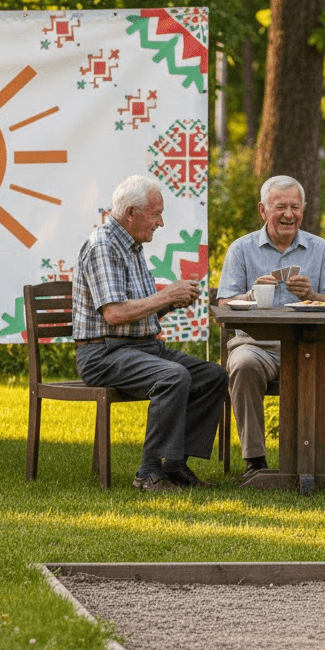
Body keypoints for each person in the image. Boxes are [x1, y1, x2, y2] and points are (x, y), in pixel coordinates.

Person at [73, 174, 228, 491]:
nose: (160, 222)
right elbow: (115, 314)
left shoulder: (132, 246)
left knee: (212, 375)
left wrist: (172, 302)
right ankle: (147, 472)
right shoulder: (103, 246)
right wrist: (167, 295)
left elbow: (137, 311)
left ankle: (174, 466)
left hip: (140, 348)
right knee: (172, 376)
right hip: (104, 353)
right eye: (156, 213)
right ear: (131, 213)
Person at [217, 176, 325, 475]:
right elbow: (223, 305)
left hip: (307, 344)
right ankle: (255, 460)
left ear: (303, 210)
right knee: (243, 365)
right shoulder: (241, 249)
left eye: (295, 207)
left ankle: (312, 452)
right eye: (280, 206)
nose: (289, 214)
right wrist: (250, 295)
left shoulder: (320, 248)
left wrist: (312, 295)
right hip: (254, 344)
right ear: (263, 210)